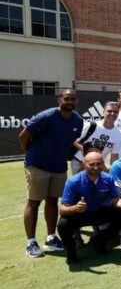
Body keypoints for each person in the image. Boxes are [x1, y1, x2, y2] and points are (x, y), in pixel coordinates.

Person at [19, 88, 84, 257]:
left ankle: (51, 238)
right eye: (66, 99)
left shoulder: (77, 121)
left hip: (59, 168)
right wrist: (32, 156)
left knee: (53, 201)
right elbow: (23, 136)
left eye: (73, 99)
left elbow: (70, 141)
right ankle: (31, 243)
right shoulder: (45, 117)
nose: (70, 102)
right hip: (37, 166)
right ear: (59, 100)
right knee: (33, 203)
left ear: (76, 101)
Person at [58, 152, 121, 264]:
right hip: (80, 215)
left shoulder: (108, 179)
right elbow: (62, 210)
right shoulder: (73, 182)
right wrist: (76, 208)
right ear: (83, 165)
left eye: (99, 164)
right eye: (91, 164)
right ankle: (71, 252)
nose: (96, 167)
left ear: (103, 164)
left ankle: (99, 240)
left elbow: (116, 201)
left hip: (98, 212)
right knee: (63, 224)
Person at [71, 101, 121, 173]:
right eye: (109, 111)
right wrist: (89, 151)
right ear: (103, 112)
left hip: (97, 166)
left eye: (115, 112)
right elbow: (73, 140)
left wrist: (112, 171)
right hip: (79, 162)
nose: (112, 114)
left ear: (118, 114)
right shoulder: (90, 125)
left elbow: (114, 157)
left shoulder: (119, 134)